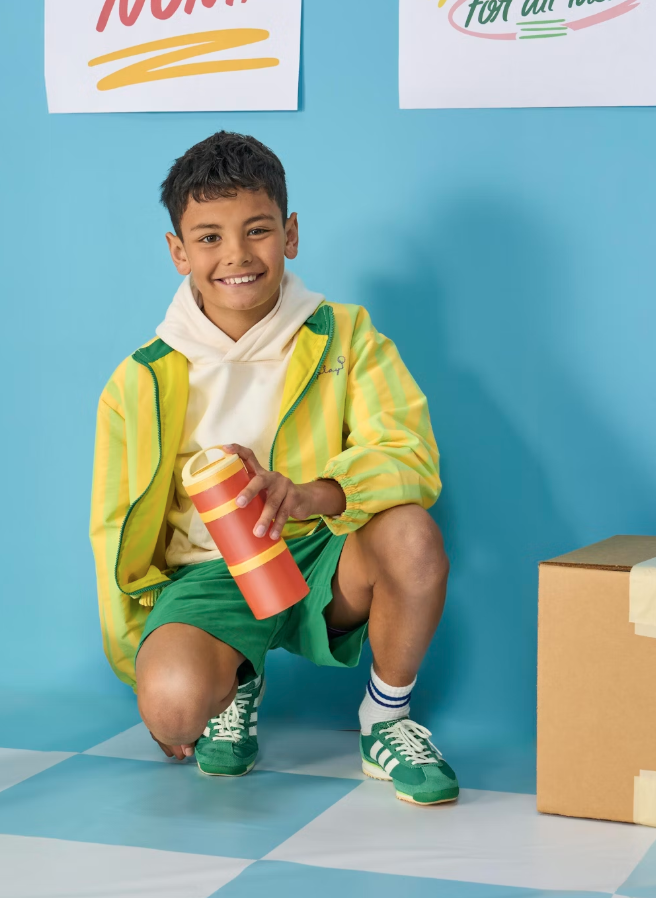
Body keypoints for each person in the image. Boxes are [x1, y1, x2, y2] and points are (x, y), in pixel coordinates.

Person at [89, 131, 458, 805]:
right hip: (211, 576)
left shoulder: (347, 333)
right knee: (172, 707)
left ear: (289, 235)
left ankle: (387, 717)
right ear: (177, 251)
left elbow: (410, 452)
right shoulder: (139, 380)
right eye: (209, 238)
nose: (236, 254)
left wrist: (312, 494)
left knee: (412, 533)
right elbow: (113, 531)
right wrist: (145, 662)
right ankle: (237, 675)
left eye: (256, 230)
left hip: (324, 558)